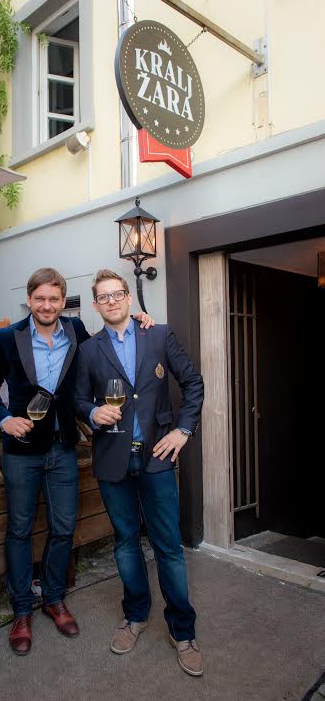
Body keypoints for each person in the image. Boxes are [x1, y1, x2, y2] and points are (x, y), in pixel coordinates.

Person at [0, 267, 154, 656]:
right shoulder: (8, 338)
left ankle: (54, 598)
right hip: (22, 449)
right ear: (29, 300)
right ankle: (22, 609)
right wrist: (4, 419)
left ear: (63, 302)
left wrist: (138, 322)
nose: (47, 305)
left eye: (54, 299)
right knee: (19, 530)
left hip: (63, 448)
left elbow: (107, 352)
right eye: (40, 298)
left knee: (63, 528)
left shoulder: (75, 331)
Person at [75, 269, 204, 676]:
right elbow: (78, 399)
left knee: (168, 547)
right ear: (95, 305)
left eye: (117, 294)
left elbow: (193, 382)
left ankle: (183, 631)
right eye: (103, 297)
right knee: (126, 543)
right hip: (113, 458)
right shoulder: (88, 350)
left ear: (129, 298)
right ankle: (135, 615)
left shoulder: (158, 334)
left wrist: (184, 430)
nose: (111, 301)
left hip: (157, 456)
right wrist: (92, 412)